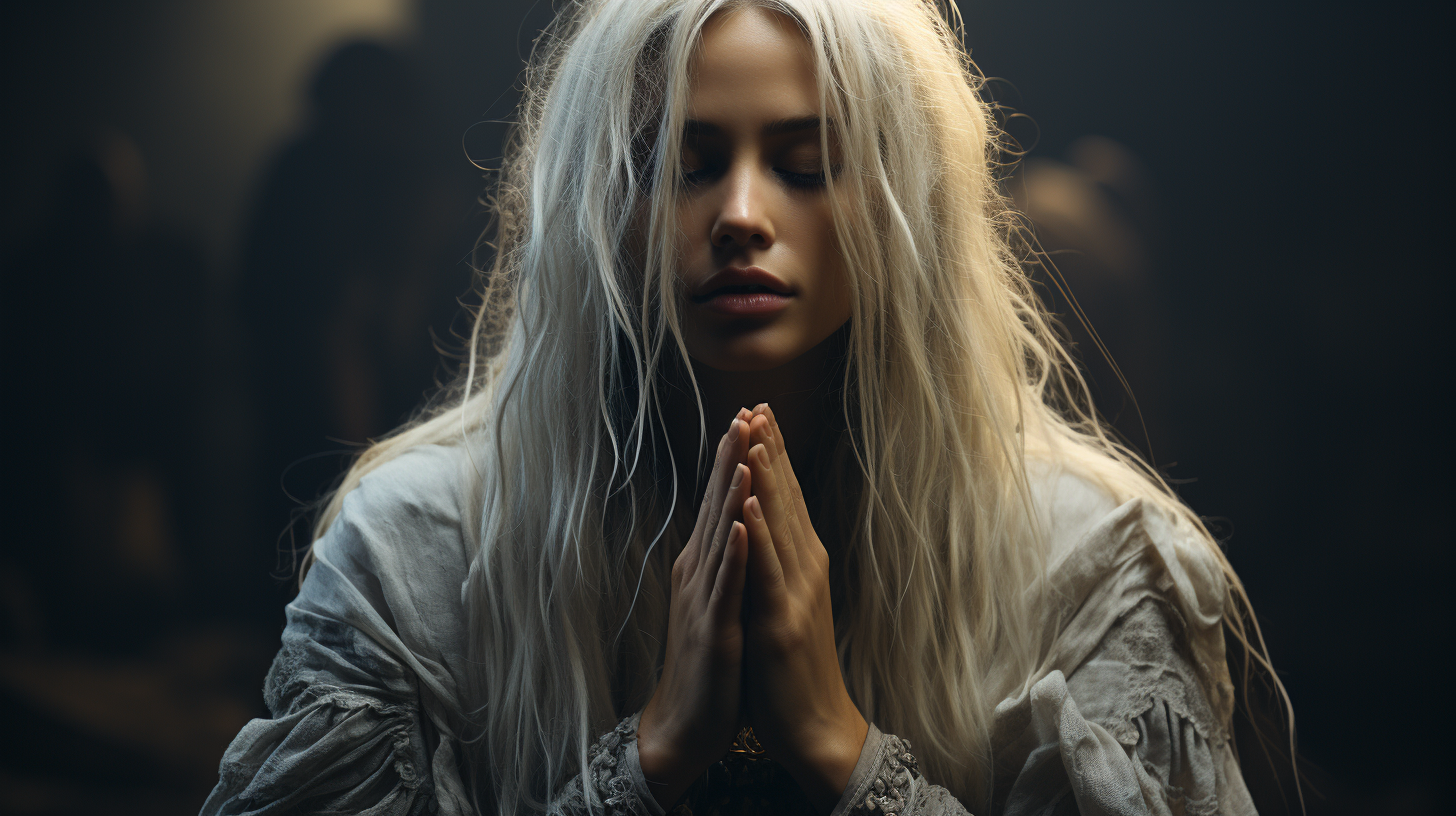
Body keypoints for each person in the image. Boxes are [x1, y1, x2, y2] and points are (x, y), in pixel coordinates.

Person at [204, 1, 1287, 814]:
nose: (739, 214)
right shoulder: (414, 551)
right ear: (596, 200)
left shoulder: (1091, 560)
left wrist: (842, 749)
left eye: (808, 165)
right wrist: (649, 758)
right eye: (680, 162)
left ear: (906, 199)